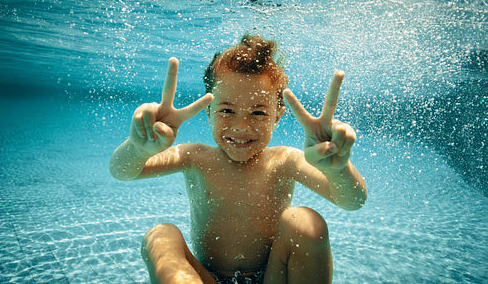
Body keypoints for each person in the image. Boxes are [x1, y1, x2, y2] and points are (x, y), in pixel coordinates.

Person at [109, 35, 367, 284]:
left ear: (277, 116)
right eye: (227, 110)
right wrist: (139, 148)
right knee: (160, 235)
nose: (241, 126)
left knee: (305, 221)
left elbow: (353, 201)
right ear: (208, 113)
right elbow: (123, 171)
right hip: (207, 278)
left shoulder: (285, 161)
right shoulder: (194, 157)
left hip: (273, 277)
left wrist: (337, 169)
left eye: (258, 112)